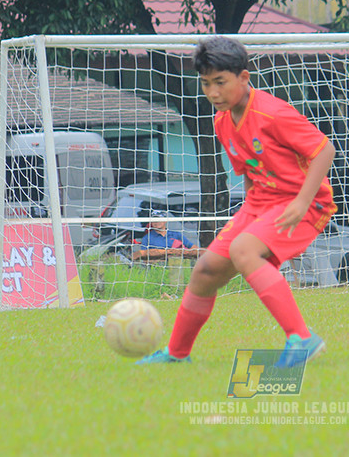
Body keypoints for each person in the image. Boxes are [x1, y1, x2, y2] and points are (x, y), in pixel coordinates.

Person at [137, 36, 336, 366]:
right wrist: (249, 214)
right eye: (205, 84)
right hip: (259, 204)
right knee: (205, 270)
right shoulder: (222, 120)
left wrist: (301, 203)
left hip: (303, 203)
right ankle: (176, 354)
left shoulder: (273, 113)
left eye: (220, 82)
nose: (213, 92)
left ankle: (302, 339)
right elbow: (249, 171)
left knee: (243, 250)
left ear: (244, 77)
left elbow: (324, 150)